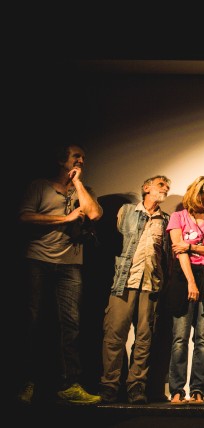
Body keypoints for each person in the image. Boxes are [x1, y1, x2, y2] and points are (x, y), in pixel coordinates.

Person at [17, 143, 103, 405]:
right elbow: (23, 216)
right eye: (76, 156)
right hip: (38, 260)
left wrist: (78, 185)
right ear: (60, 159)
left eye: (84, 158)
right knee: (32, 321)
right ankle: (26, 383)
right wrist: (63, 220)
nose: (81, 161)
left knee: (71, 324)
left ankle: (70, 384)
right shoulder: (40, 186)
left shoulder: (84, 191)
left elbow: (95, 214)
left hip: (70, 264)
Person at [98, 175, 172, 404]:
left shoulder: (166, 219)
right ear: (146, 187)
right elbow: (113, 241)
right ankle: (110, 386)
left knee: (144, 338)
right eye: (161, 185)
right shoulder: (127, 211)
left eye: (168, 187)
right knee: (114, 337)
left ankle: (136, 387)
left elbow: (166, 257)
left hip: (150, 284)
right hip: (124, 282)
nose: (166, 189)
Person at [166, 176, 204, 405]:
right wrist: (191, 282)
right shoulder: (178, 216)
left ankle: (198, 391)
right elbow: (179, 251)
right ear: (199, 192)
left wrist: (191, 246)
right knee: (180, 338)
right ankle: (176, 390)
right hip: (185, 277)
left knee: (202, 339)